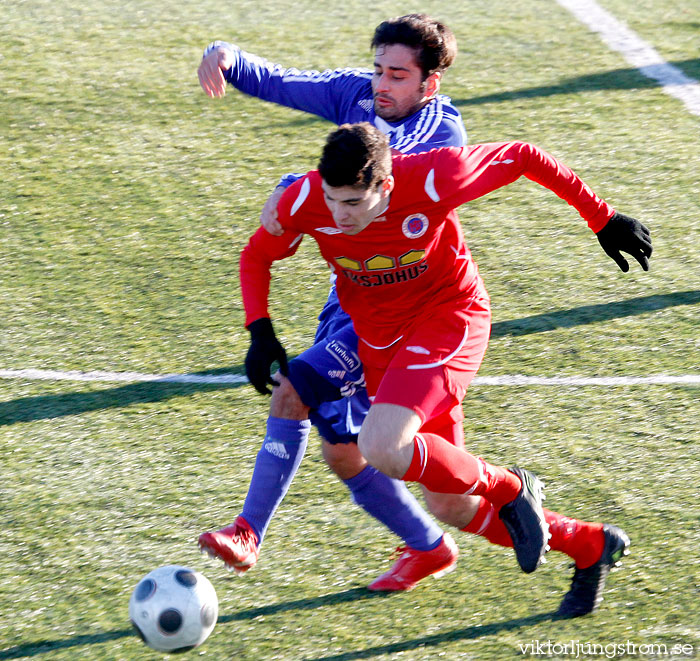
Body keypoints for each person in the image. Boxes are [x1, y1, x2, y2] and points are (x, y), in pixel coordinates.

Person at [236, 122, 651, 616]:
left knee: (380, 446)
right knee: (450, 503)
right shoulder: (305, 200)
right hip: (381, 342)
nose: (338, 214)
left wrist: (601, 218)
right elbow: (257, 255)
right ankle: (588, 545)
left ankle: (513, 486)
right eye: (331, 199)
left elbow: (522, 156)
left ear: (384, 185)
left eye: (352, 203)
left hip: (449, 318)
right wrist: (260, 329)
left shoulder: (435, 178)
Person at [199, 15, 471, 592]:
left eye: (398, 75)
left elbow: (384, 169)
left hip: (403, 309)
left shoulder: (441, 131)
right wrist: (227, 55)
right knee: (343, 452)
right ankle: (431, 546)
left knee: (295, 392)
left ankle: (248, 532)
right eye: (378, 69)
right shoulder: (357, 93)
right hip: (352, 295)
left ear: (429, 84)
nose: (382, 84)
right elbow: (284, 82)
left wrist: (297, 184)